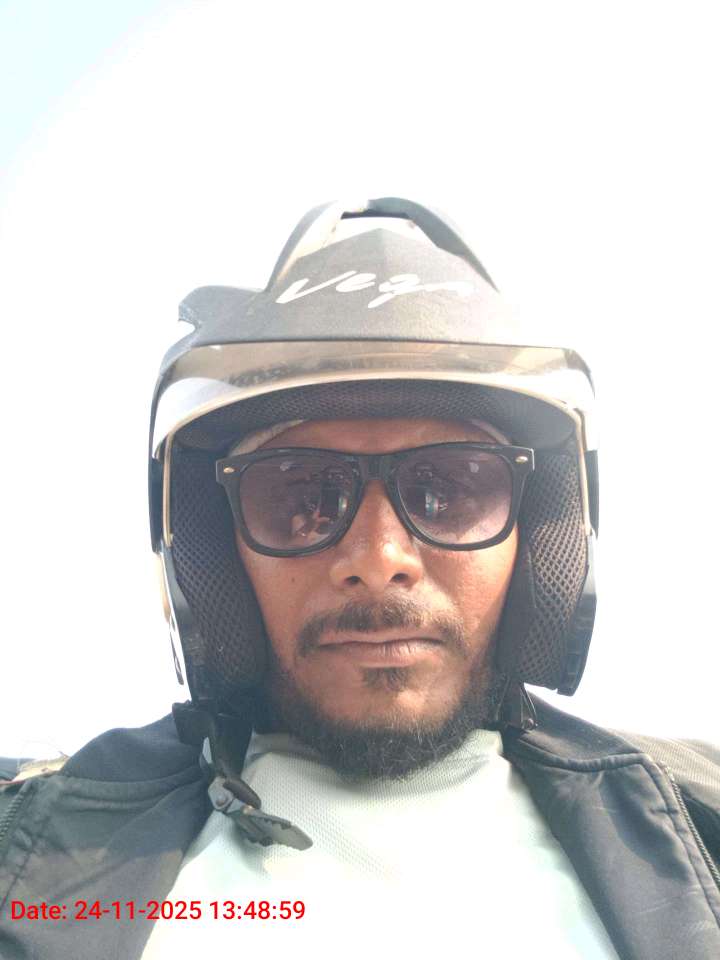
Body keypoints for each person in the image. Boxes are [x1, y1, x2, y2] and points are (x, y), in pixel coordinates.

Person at [1, 199, 718, 960]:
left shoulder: (699, 829)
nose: (378, 559)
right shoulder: (29, 849)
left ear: (541, 536)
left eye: (449, 491)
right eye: (300, 498)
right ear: (211, 552)